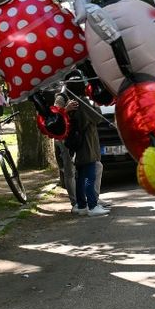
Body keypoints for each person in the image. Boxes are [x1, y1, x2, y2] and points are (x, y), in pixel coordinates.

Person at [55, 80, 107, 217]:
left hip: (76, 144)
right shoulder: (82, 102)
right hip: (87, 144)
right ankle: (92, 205)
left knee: (80, 176)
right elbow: (98, 118)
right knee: (90, 175)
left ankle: (82, 205)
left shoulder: (70, 102)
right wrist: (96, 103)